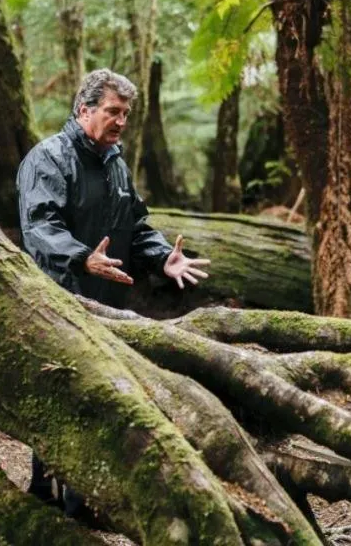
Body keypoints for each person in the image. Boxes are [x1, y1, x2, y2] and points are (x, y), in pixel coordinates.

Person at [16, 68, 211, 514]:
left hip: (107, 307)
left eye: (126, 113)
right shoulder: (48, 158)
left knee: (100, 400)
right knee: (60, 400)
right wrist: (83, 255)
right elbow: (39, 226)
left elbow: (135, 226)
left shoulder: (115, 164)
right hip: (58, 301)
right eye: (112, 111)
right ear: (84, 110)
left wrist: (164, 257)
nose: (121, 121)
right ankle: (47, 499)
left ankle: (84, 503)